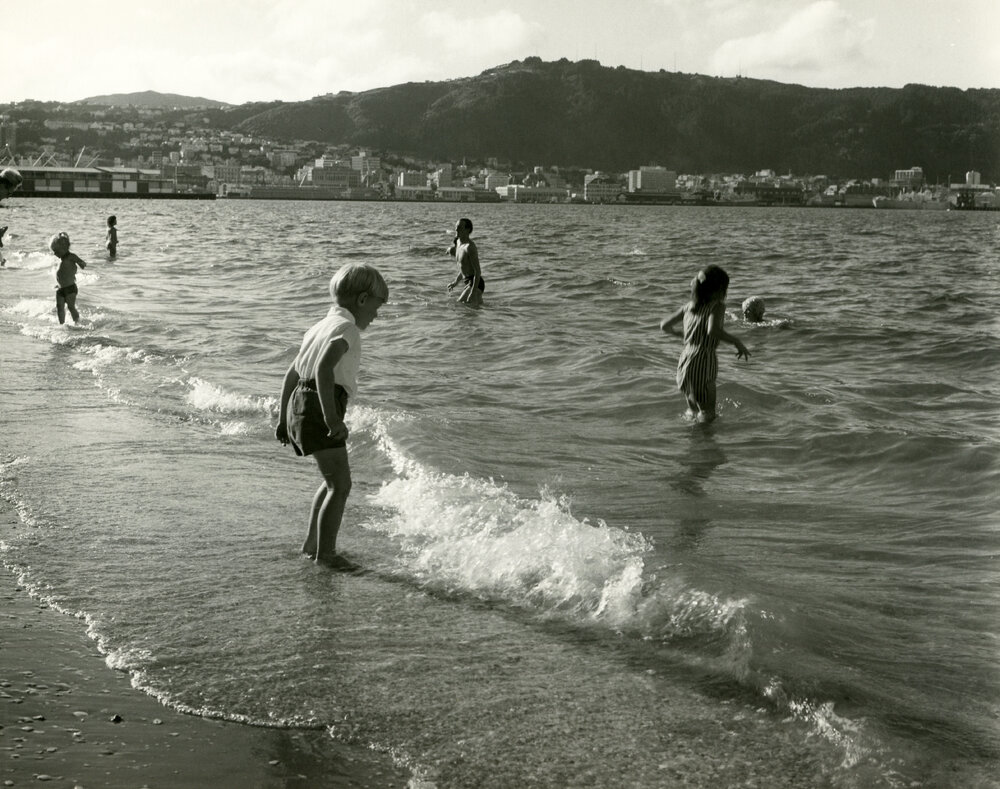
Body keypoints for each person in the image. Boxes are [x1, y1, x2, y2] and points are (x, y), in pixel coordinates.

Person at [275, 262, 388, 569]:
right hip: (321, 405)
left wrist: (283, 417)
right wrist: (332, 420)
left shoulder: (318, 327)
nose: (376, 315)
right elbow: (324, 369)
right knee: (341, 485)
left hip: (300, 402)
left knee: (330, 482)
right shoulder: (347, 329)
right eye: (378, 307)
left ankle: (312, 546)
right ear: (363, 300)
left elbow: (292, 373)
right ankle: (326, 554)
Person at [660, 265, 750, 423]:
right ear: (721, 289)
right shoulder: (717, 306)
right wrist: (737, 341)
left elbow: (664, 326)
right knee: (708, 413)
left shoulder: (688, 307)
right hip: (703, 359)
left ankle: (693, 442)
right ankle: (707, 445)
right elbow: (712, 331)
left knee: (693, 409)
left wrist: (683, 335)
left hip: (685, 360)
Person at [49, 232, 88, 324]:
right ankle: (61, 324)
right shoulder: (61, 260)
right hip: (61, 289)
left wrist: (81, 264)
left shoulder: (70, 256)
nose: (54, 253)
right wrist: (59, 284)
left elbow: (80, 262)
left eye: (56, 251)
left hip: (70, 288)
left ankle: (77, 322)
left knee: (71, 307)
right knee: (60, 307)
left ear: (64, 248)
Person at [446, 217, 484, 306]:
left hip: (476, 283)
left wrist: (473, 292)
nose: (456, 229)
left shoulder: (470, 247)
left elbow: (477, 271)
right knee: (476, 309)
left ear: (468, 230)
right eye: (456, 227)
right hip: (467, 281)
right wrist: (455, 282)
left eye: (459, 227)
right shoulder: (458, 242)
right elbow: (464, 268)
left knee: (460, 305)